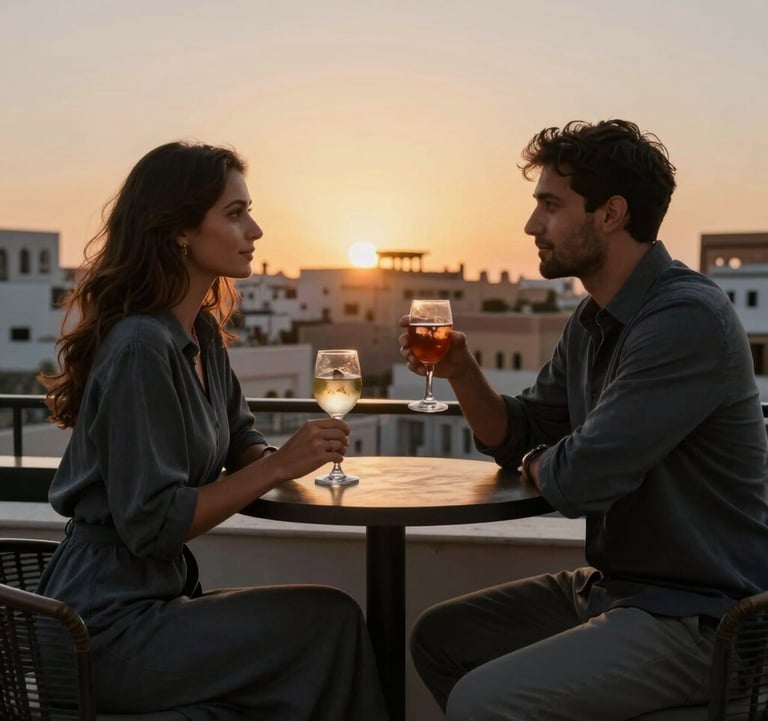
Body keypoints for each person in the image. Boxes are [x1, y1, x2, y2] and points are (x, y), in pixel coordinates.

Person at [399, 119, 768, 720]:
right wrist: (462, 368)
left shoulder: (686, 317)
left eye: (549, 204)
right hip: (616, 589)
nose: (530, 225)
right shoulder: (592, 318)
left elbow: (582, 478)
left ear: (610, 214)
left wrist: (543, 461)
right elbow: (518, 434)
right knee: (440, 638)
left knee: (481, 702)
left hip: (702, 618)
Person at [37, 141, 389, 721]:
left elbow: (239, 440)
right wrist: (279, 467)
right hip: (99, 632)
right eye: (234, 213)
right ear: (178, 230)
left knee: (316, 639)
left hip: (155, 605)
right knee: (328, 622)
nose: (255, 228)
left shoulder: (198, 334)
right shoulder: (139, 350)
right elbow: (153, 525)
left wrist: (280, 458)